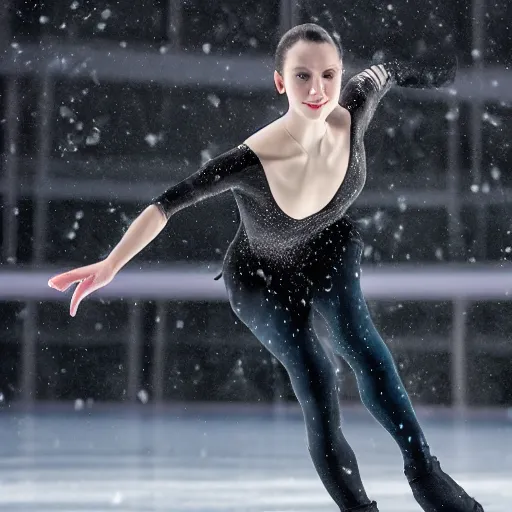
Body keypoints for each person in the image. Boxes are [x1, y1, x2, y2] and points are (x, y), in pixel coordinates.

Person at [48, 23, 484, 512]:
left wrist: (447, 72)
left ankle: (429, 481)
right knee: (318, 381)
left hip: (327, 250)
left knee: (364, 348)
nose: (317, 90)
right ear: (280, 82)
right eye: (302, 77)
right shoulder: (252, 158)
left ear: (341, 76)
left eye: (327, 75)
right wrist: (112, 263)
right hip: (261, 280)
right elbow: (169, 203)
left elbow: (392, 72)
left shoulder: (356, 104)